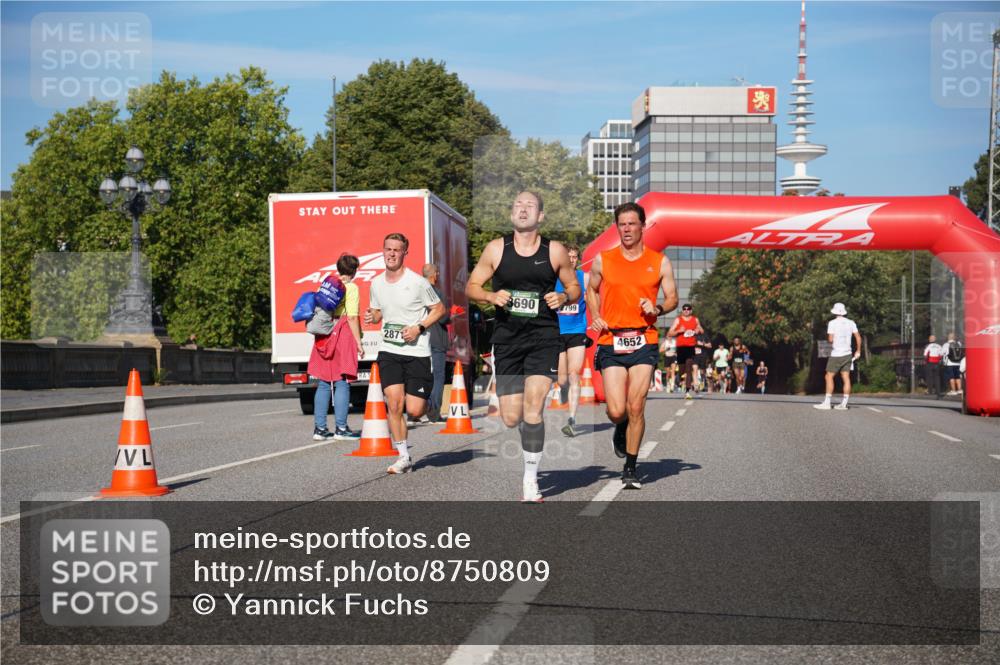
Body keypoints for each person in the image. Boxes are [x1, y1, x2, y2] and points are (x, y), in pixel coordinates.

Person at [466, 191, 580, 502]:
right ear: (511, 213)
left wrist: (564, 296)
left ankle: (531, 479)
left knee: (534, 407)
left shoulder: (554, 251)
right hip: (507, 340)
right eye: (518, 204)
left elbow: (574, 287)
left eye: (530, 205)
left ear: (540, 216)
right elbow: (472, 286)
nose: (523, 209)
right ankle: (529, 439)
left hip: (543, 338)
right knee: (511, 417)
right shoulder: (496, 249)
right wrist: (490, 296)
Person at [587, 201, 678, 490]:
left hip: (644, 339)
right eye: (621, 224)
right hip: (611, 340)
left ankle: (630, 467)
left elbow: (673, 298)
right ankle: (621, 425)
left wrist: (657, 309)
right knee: (617, 410)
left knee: (636, 405)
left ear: (643, 226)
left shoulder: (659, 261)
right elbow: (591, 289)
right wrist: (596, 315)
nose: (626, 229)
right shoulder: (604, 259)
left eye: (631, 224)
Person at [364, 234, 446, 474]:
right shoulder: (376, 283)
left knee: (415, 410)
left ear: (404, 253)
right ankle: (403, 456)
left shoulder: (418, 282)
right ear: (383, 250)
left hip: (417, 352)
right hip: (389, 350)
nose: (391, 254)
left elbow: (439, 309)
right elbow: (378, 313)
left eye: (396, 250)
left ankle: (429, 406)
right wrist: (372, 316)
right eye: (388, 249)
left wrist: (419, 327)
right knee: (394, 403)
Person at [309, 254, 364, 441]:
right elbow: (352, 317)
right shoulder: (352, 288)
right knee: (342, 382)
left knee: (324, 383)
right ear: (354, 271)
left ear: (339, 268)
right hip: (343, 332)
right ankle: (341, 428)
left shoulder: (326, 285)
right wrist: (358, 342)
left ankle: (320, 429)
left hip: (324, 333)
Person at [555, 244, 588, 438]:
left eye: (575, 257)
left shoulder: (584, 278)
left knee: (574, 374)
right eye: (568, 257)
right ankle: (563, 388)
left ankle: (571, 421)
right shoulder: (553, 278)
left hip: (577, 331)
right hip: (557, 332)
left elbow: (595, 296)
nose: (572, 260)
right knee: (562, 379)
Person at [814, 302, 861, 410]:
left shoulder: (832, 323)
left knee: (829, 376)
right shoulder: (851, 322)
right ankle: (844, 404)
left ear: (834, 312)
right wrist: (858, 351)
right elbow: (858, 337)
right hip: (848, 353)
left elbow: (830, 339)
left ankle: (827, 403)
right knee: (846, 377)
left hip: (836, 354)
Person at [421, 263, 451, 423]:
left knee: (420, 376)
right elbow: (443, 318)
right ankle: (433, 413)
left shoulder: (417, 292)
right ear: (435, 275)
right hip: (437, 339)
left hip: (420, 340)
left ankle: (414, 412)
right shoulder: (438, 293)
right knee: (438, 376)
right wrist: (452, 315)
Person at [668, 303, 704, 399]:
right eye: (684, 309)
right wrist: (679, 331)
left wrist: (698, 330)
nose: (686, 310)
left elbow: (701, 330)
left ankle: (687, 391)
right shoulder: (678, 320)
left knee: (689, 369)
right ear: (682, 310)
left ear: (691, 310)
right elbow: (670, 333)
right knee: (681, 369)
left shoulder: (695, 319)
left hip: (691, 348)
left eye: (688, 309)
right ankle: (678, 378)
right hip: (681, 348)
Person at [941, 331, 964, 396]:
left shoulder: (946, 344)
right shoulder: (959, 344)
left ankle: (953, 390)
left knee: (951, 377)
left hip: (949, 363)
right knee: (957, 377)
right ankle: (959, 390)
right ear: (954, 337)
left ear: (948, 337)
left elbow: (942, 353)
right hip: (958, 363)